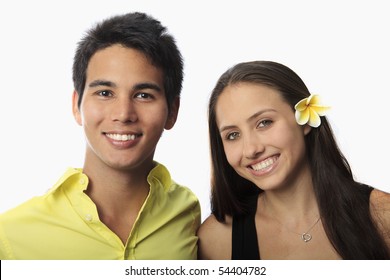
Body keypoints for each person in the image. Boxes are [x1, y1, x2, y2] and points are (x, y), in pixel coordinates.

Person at [0, 12, 201, 260]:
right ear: (76, 105)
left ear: (173, 111)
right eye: (105, 93)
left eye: (143, 95)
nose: (123, 114)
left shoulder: (187, 214)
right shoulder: (10, 235)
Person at [197, 60, 390, 259]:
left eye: (264, 123)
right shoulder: (215, 241)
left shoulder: (383, 215)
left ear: (304, 120)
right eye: (233, 135)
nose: (251, 149)